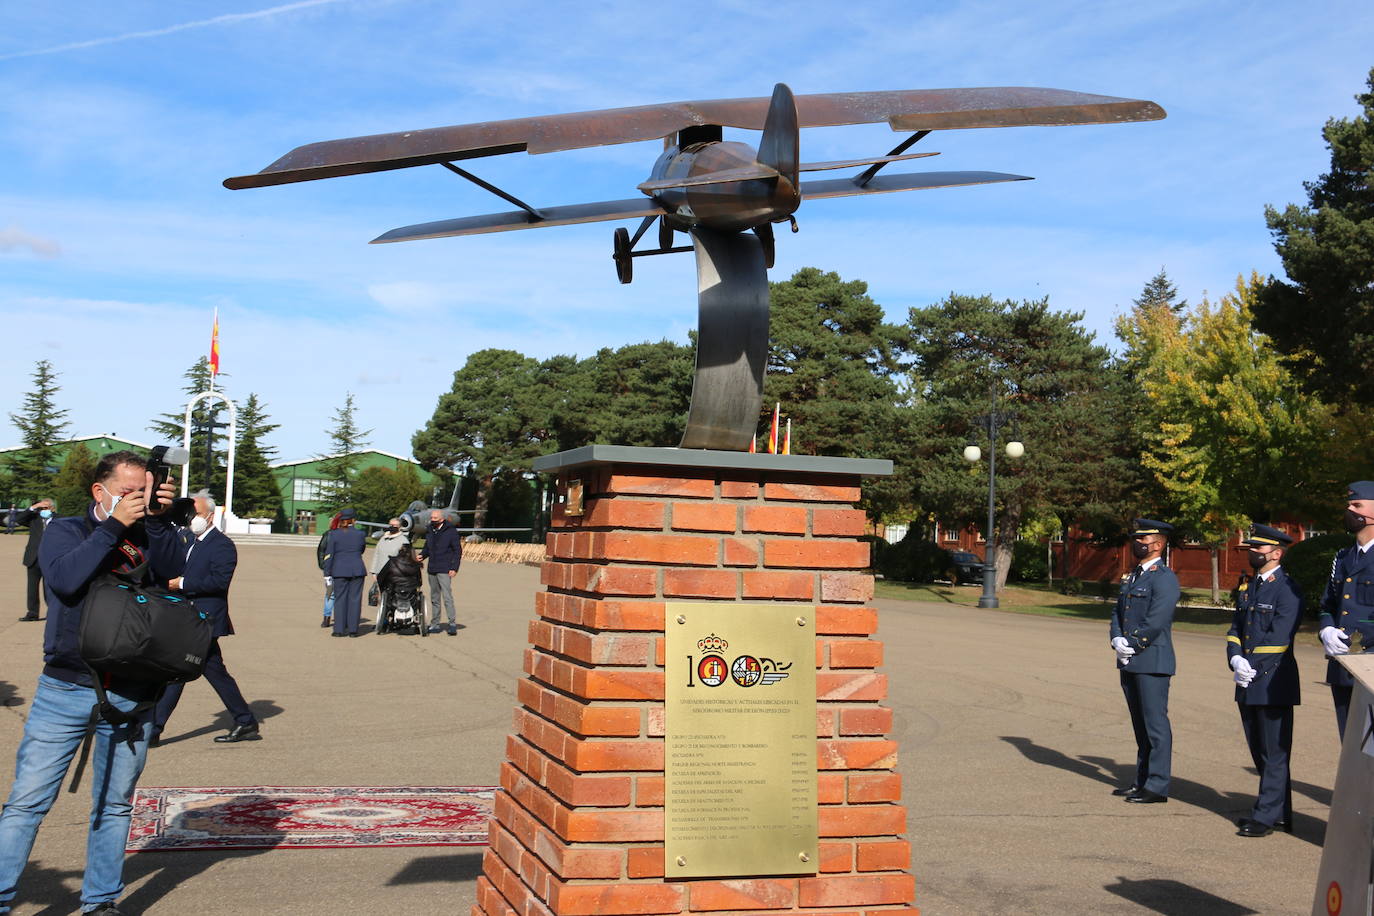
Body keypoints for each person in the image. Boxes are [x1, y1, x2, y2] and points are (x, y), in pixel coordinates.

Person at [0, 450, 182, 916]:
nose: (137, 500)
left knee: (115, 804)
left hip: (132, 690)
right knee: (27, 801)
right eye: (128, 492)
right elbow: (63, 580)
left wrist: (158, 521)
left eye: (144, 491)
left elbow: (180, 571)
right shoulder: (67, 529)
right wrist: (113, 527)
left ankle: (100, 902)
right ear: (99, 492)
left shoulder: (150, 533)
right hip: (66, 686)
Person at [149, 492, 260, 746]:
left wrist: (182, 583)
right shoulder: (188, 539)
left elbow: (219, 582)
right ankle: (244, 720)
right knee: (212, 670)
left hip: (206, 619)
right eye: (189, 514)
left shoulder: (221, 545)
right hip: (187, 617)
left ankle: (153, 729)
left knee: (178, 672)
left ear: (210, 516)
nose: (191, 519)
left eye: (196, 514)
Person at [1226, 524, 1302, 838]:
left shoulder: (1287, 588)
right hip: (1247, 678)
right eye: (1251, 548)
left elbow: (1280, 637)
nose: (1253, 552)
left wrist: (1251, 663)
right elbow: (1236, 628)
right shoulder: (1249, 587)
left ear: (1276, 553)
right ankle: (1279, 811)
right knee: (1259, 750)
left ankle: (1266, 816)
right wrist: (1234, 657)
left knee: (1274, 752)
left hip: (1273, 681)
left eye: (1259, 548)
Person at [1108, 518, 1180, 805]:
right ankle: (1142, 780)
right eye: (1136, 539)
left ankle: (1157, 785)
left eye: (1144, 540)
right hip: (1130, 659)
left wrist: (1133, 644)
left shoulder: (1164, 578)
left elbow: (1157, 620)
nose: (1137, 544)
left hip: (1152, 660)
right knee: (1141, 727)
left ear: (1158, 544)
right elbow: (1118, 612)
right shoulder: (1134, 576)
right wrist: (1116, 639)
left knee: (1155, 726)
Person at [1317, 480, 1374, 738]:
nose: (1349, 510)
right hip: (1343, 665)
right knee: (1349, 744)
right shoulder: (1342, 557)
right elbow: (1327, 604)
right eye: (1348, 504)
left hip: (1371, 665)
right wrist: (1327, 630)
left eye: (1357, 504)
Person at [324, 508, 367, 637]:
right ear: (354, 520)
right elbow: (362, 549)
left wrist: (327, 573)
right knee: (355, 599)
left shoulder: (334, 534)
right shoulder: (360, 534)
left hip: (339, 569)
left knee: (340, 599)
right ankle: (353, 630)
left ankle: (339, 630)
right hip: (357, 568)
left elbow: (329, 554)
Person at [419, 508, 462, 635]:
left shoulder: (451, 531)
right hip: (432, 568)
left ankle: (452, 623)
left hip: (445, 568)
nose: (432, 520)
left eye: (435, 518)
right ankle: (435, 624)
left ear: (442, 519)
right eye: (431, 518)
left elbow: (457, 551)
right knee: (434, 597)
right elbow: (427, 547)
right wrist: (422, 555)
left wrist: (454, 568)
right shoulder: (430, 530)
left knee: (447, 596)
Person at [13, 498, 55, 621]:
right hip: (33, 558)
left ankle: (52, 612)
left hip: (50, 558)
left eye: (46, 508)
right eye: (41, 508)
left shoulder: (59, 519)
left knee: (50, 588)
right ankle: (32, 613)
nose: (43, 510)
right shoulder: (33, 519)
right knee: (32, 588)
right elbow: (18, 519)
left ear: (52, 508)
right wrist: (34, 507)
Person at [376, 542, 423, 632]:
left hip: (394, 593)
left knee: (387, 591)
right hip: (410, 595)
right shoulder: (416, 565)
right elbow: (419, 582)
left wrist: (383, 588)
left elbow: (380, 577)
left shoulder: (392, 562)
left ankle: (386, 620)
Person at [316, 510, 342, 628]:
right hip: (333, 568)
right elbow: (321, 550)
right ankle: (328, 617)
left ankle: (329, 618)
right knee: (333, 594)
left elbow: (321, 550)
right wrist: (323, 565)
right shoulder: (329, 534)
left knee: (331, 594)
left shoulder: (330, 534)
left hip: (335, 568)